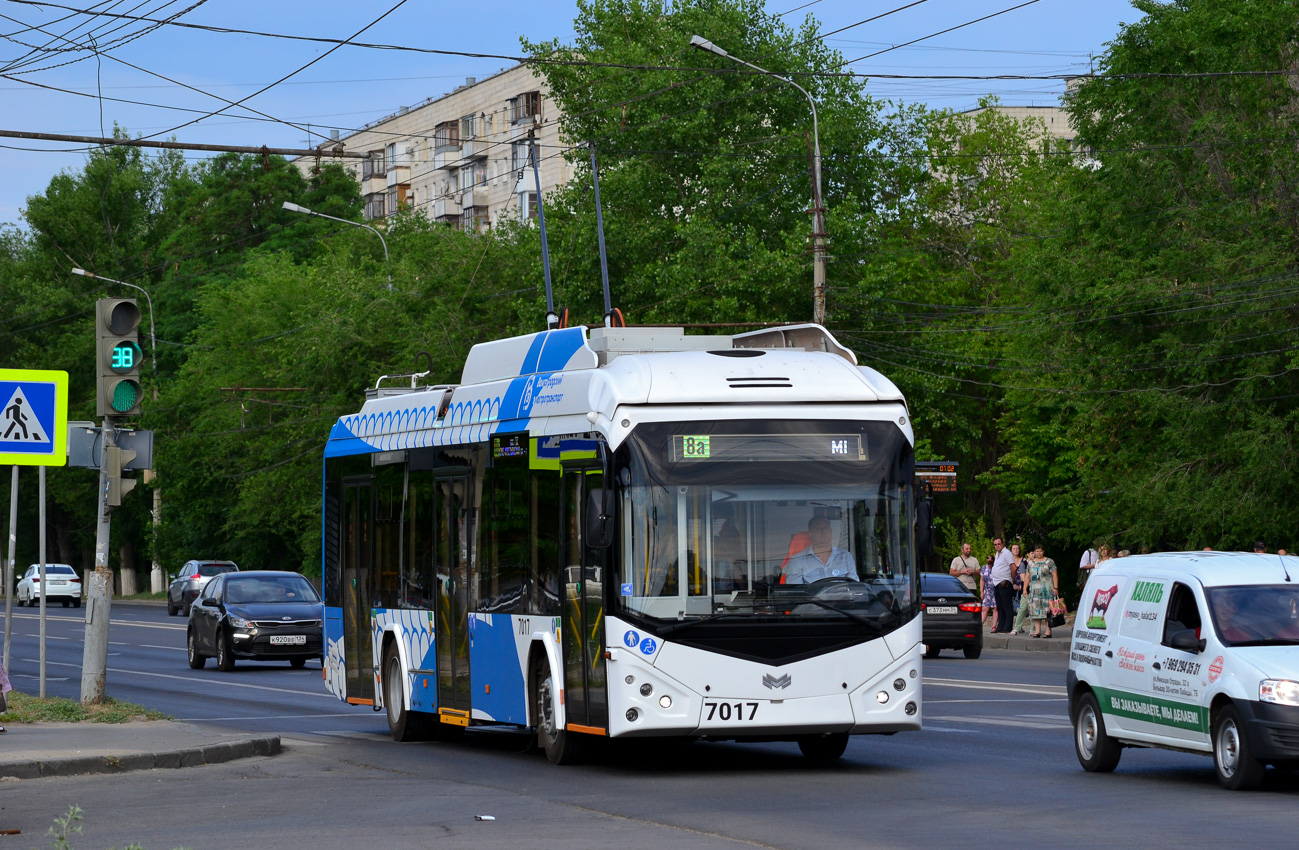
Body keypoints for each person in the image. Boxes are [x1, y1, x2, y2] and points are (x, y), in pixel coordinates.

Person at [783, 516, 858, 584]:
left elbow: (854, 587)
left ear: (831, 531)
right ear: (811, 534)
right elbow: (797, 592)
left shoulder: (846, 556)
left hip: (842, 595)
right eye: (819, 529)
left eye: (826, 528)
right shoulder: (797, 560)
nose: (824, 532)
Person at [1025, 545, 1060, 638]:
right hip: (1034, 591)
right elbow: (1027, 577)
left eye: (1040, 551)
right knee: (1035, 611)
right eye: (1037, 551)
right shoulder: (1030, 563)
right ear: (1034, 552)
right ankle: (1037, 631)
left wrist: (1056, 588)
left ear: (1043, 551)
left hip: (1047, 590)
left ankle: (1048, 631)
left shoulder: (1049, 562)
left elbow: (1055, 575)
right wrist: (1024, 589)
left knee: (1047, 611)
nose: (1039, 553)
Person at [990, 537, 1016, 634]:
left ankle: (1008, 627)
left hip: (1004, 583)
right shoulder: (997, 554)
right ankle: (1001, 626)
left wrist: (1011, 579)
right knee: (1000, 606)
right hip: (997, 583)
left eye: (999, 544)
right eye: (995, 544)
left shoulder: (1007, 553)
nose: (997, 546)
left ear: (1002, 544)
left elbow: (1013, 568)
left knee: (1007, 606)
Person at [1011, 543, 1031, 635]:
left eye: (1017, 548)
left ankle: (1022, 627)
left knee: (1024, 607)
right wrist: (1013, 584)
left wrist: (1022, 586)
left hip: (1023, 586)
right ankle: (1016, 626)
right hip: (1012, 585)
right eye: (1014, 548)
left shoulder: (1024, 561)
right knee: (1014, 606)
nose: (1016, 550)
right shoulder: (1009, 560)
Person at [980, 554, 996, 630]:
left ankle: (994, 626)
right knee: (985, 608)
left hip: (995, 590)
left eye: (991, 563)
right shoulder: (984, 567)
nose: (989, 565)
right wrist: (981, 591)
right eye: (988, 563)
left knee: (995, 608)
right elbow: (982, 580)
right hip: (987, 590)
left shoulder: (996, 568)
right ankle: (980, 625)